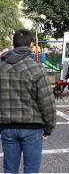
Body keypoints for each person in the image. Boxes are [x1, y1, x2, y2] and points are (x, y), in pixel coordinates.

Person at [0, 29, 56, 173]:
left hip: (7, 127)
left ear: (13, 45)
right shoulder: (37, 68)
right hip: (32, 127)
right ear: (31, 45)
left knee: (10, 170)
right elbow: (47, 102)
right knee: (31, 170)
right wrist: (49, 127)